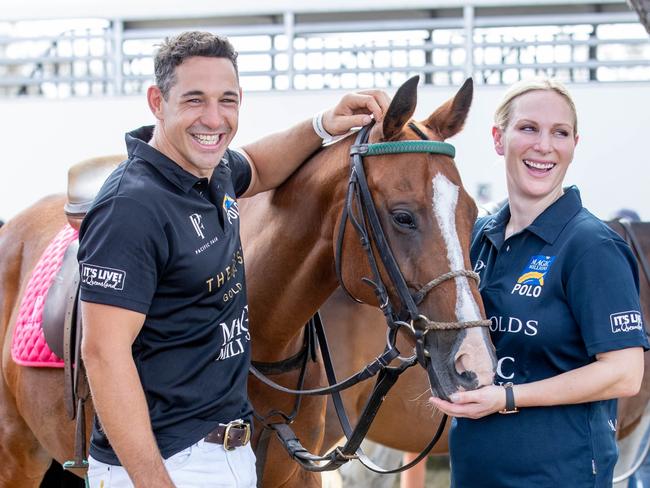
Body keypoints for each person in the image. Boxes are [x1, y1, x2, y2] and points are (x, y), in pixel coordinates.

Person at [78, 31, 389, 488]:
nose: (213, 117)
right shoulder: (132, 208)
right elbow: (103, 354)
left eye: (227, 100)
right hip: (166, 465)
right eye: (194, 100)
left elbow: (261, 166)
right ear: (156, 101)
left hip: (230, 454)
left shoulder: (212, 170)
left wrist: (325, 122)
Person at [428, 78, 649, 487]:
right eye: (529, 128)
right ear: (499, 139)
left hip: (560, 475)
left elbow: (625, 373)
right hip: (475, 474)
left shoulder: (591, 246)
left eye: (559, 133)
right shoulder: (476, 238)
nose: (544, 145)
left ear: (573, 145)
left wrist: (508, 397)